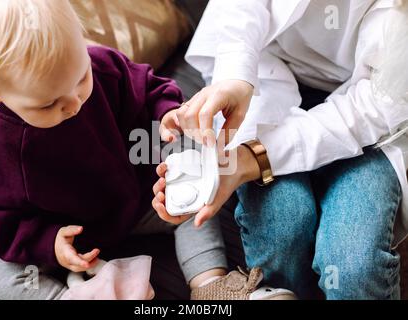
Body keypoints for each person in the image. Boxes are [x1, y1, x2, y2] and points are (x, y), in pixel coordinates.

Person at [0, 0, 238, 300]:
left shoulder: (101, 64)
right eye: (48, 103)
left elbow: (153, 90)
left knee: (195, 196)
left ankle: (209, 284)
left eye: (80, 80)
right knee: (0, 270)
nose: (74, 103)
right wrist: (48, 242)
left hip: (141, 197)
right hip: (69, 234)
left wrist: (168, 116)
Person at [153, 0, 408, 299]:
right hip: (266, 67)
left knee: (354, 268)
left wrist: (252, 159)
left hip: (372, 118)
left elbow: (370, 111)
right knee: (282, 231)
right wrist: (236, 78)